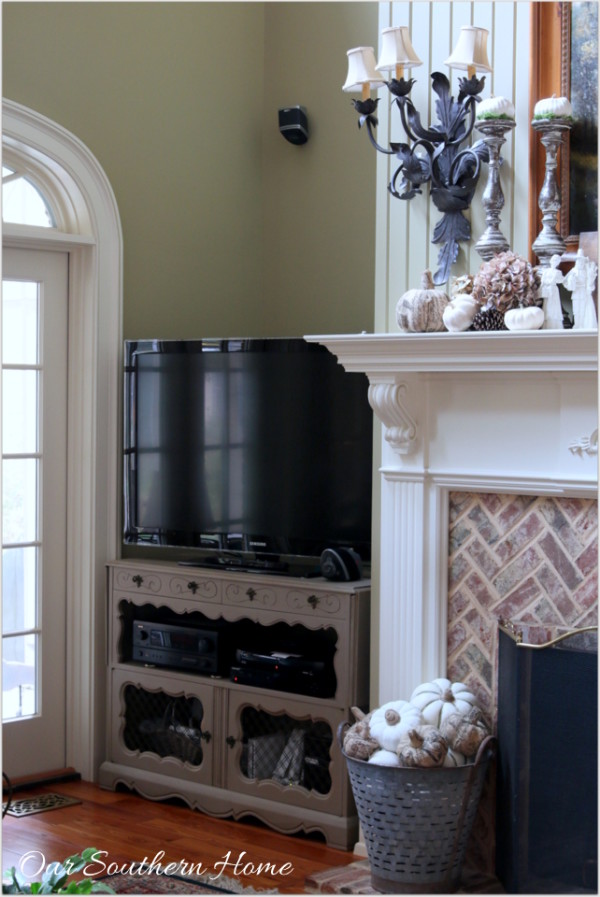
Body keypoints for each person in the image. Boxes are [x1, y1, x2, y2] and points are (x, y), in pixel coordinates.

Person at [564, 249, 598, 330]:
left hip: (583, 292)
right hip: (576, 293)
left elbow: (589, 281)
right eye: (579, 261)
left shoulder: (586, 271)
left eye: (582, 261)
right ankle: (577, 325)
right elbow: (565, 281)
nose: (580, 263)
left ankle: (582, 325)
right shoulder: (573, 271)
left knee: (582, 310)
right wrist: (571, 281)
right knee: (576, 311)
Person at [539, 254, 565, 329]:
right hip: (547, 290)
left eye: (556, 261)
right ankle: (547, 325)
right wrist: (547, 282)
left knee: (554, 307)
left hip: (554, 290)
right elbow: (543, 280)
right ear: (551, 261)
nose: (555, 262)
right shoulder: (546, 271)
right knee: (547, 306)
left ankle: (555, 325)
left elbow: (561, 280)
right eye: (554, 260)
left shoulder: (558, 272)